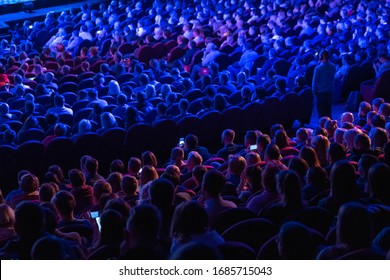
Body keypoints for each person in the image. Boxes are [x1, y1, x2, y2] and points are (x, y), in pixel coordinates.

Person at [312, 50, 336, 118]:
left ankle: (322, 127)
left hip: (320, 93)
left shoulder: (318, 68)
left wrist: (314, 91)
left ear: (320, 57)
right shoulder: (333, 66)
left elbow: (314, 82)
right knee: (328, 111)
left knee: (321, 113)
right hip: (330, 91)